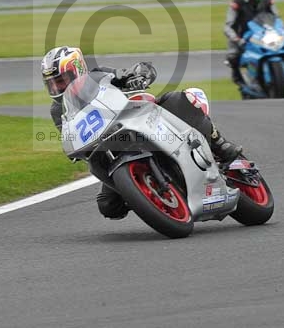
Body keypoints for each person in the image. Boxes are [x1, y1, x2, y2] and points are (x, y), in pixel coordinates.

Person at [42, 45, 245, 220]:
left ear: (77, 70)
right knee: (108, 206)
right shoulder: (58, 110)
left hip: (138, 121)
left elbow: (127, 74)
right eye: (51, 83)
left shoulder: (99, 76)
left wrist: (136, 76)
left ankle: (220, 143)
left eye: (60, 80)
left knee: (177, 100)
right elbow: (69, 134)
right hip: (110, 146)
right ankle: (149, 196)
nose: (56, 87)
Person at [223, 0, 279, 97]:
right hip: (243, 38)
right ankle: (242, 82)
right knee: (233, 57)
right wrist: (236, 39)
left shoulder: (267, 0)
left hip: (265, 35)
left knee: (282, 47)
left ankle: (276, 78)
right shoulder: (237, 2)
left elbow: (277, 19)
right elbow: (227, 26)